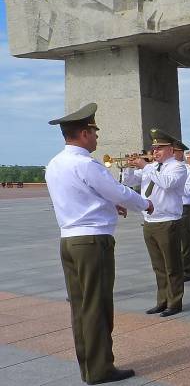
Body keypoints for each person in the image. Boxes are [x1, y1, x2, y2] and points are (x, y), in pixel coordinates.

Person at [45, 103, 154, 385]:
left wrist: (107, 205)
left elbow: (81, 197)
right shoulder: (86, 163)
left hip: (69, 240)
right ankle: (101, 368)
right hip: (92, 242)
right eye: (93, 132)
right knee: (97, 305)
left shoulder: (55, 163)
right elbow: (116, 190)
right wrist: (145, 202)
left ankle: (88, 366)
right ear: (82, 133)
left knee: (80, 306)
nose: (96, 137)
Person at [123, 129, 187, 317]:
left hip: (168, 221)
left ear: (170, 149)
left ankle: (175, 302)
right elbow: (128, 180)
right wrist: (128, 166)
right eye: (154, 148)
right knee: (158, 265)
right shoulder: (151, 167)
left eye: (160, 148)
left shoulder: (177, 166)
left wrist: (146, 166)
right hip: (150, 220)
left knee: (172, 266)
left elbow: (167, 184)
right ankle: (162, 300)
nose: (155, 152)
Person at [174, 141, 190, 282]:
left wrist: (172, 185)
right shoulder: (165, 168)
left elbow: (188, 191)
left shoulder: (189, 169)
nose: (170, 153)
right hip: (172, 207)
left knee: (184, 240)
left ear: (180, 153)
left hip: (184, 207)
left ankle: (187, 271)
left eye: (174, 150)